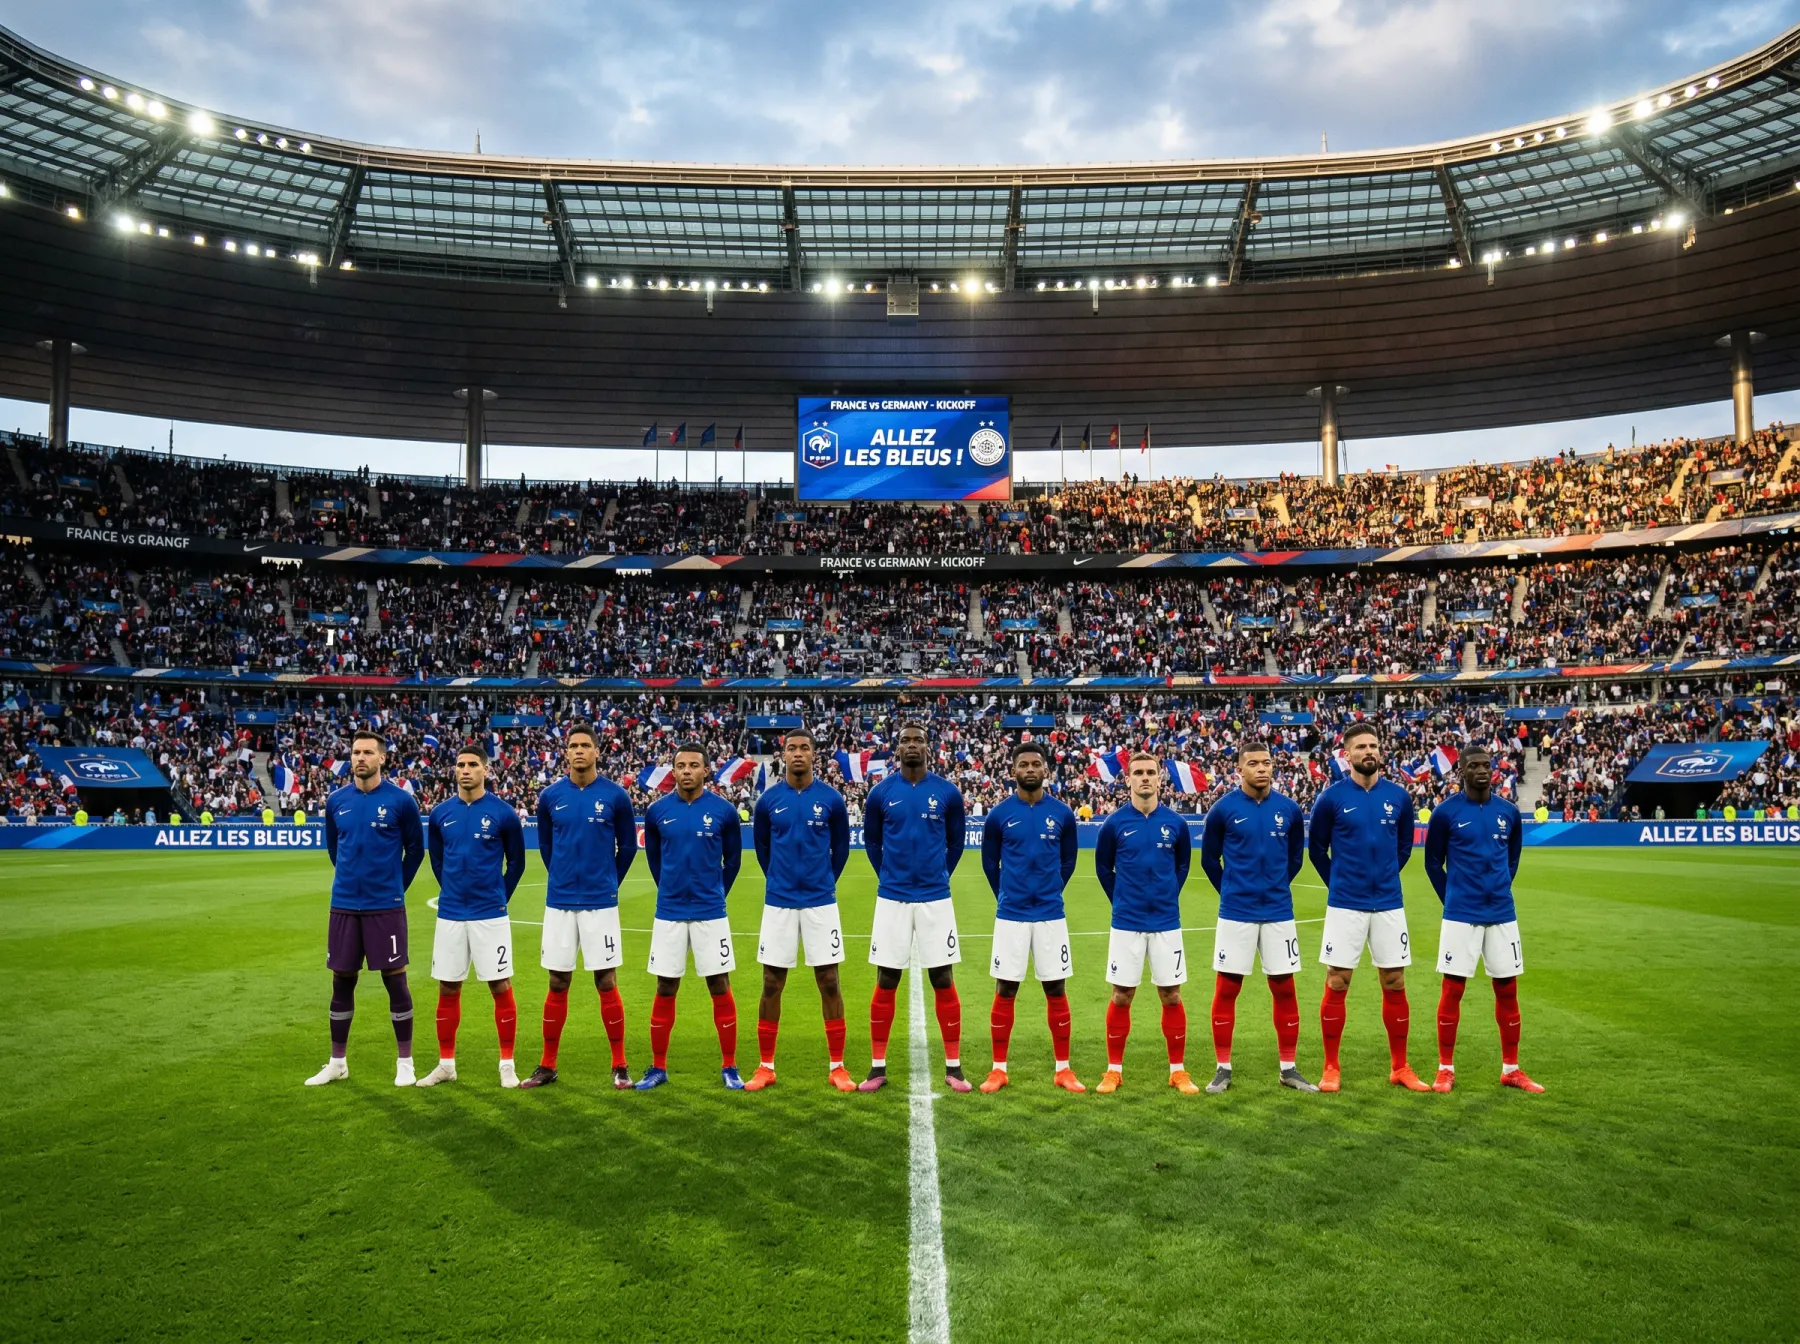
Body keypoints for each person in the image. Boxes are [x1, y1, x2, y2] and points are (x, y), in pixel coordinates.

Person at [1308, 722, 1426, 1093]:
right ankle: (1330, 1067)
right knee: (1338, 980)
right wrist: (1340, 882)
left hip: (1389, 903)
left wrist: (1385, 877)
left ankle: (1400, 1067)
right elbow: (1316, 850)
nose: (1368, 751)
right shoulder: (1331, 798)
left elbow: (1404, 848)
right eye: (1360, 747)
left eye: (1373, 745)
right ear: (1347, 755)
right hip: (1346, 904)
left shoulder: (1399, 797)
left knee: (1394, 981)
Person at [522, 722, 639, 1090]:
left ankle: (619, 1064)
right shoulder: (550, 796)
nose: (578, 751)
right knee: (557, 981)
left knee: (606, 980)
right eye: (573, 745)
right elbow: (545, 847)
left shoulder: (616, 796)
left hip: (599, 904)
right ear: (565, 751)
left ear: (597, 751)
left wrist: (607, 883)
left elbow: (629, 848)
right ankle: (547, 1064)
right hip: (559, 903)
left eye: (585, 745)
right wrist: (563, 877)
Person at [306, 730, 425, 1087]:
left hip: (384, 907)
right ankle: (337, 1062)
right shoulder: (336, 801)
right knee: (342, 980)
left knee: (395, 981)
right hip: (343, 905)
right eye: (356, 752)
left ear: (382, 759)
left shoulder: (402, 801)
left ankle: (405, 1063)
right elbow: (334, 849)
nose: (360, 758)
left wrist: (393, 888)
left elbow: (415, 851)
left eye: (368, 753)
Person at [1198, 742, 1319, 1094]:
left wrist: (1276, 886)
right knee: (1228, 988)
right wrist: (1232, 890)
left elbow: (1296, 857)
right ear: (1240, 769)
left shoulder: (1289, 809)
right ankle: (1223, 1067)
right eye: (1253, 763)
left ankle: (1288, 1068)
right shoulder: (1223, 810)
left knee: (1284, 988)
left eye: (1266, 762)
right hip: (1236, 913)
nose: (1262, 768)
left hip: (1279, 911)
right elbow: (1209, 861)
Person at [1424, 746, 1543, 1093]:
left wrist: (1499, 887)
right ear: (1460, 771)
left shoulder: (1508, 812)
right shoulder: (1446, 813)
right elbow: (1433, 864)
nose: (1480, 770)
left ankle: (1511, 1068)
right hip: (1461, 915)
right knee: (1453, 989)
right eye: (1472, 766)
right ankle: (1445, 1068)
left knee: (1507, 988)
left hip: (1502, 913)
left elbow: (1513, 858)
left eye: (1485, 765)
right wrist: (1453, 899)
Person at [861, 722, 970, 1092]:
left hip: (935, 898)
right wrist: (890, 877)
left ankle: (954, 1067)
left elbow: (955, 845)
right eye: (905, 739)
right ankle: (877, 1068)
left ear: (928, 747)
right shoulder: (880, 793)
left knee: (942, 977)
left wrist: (937, 875)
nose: (911, 745)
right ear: (897, 748)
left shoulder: (947, 793)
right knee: (887, 978)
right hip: (892, 898)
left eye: (918, 740)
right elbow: (873, 844)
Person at [748, 729, 853, 1091]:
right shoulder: (768, 801)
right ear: (783, 754)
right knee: (771, 983)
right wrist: (779, 879)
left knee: (829, 981)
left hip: (820, 902)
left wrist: (822, 880)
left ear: (813, 754)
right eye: (791, 748)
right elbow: (763, 849)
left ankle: (837, 1066)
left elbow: (839, 851)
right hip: (779, 902)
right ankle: (765, 1066)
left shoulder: (831, 799)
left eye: (804, 748)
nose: (797, 754)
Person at [416, 746, 526, 1089]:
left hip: (489, 916)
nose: (465, 770)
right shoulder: (440, 814)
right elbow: (436, 860)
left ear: (486, 770)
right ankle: (446, 1063)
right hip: (450, 914)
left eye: (472, 765)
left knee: (500, 985)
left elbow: (517, 864)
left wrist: (497, 897)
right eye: (460, 764)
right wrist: (451, 890)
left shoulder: (503, 813)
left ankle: (507, 1064)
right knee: (448, 987)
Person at [978, 742, 1083, 1093]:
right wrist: (1007, 895)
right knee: (1006, 987)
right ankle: (998, 1069)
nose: (1030, 769)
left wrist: (1051, 889)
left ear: (1046, 771)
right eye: (1023, 764)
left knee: (1056, 987)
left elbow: (1068, 862)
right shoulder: (998, 815)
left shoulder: (1063, 814)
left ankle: (1064, 1069)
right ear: (1013, 771)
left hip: (1051, 914)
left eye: (1036, 764)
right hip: (1012, 915)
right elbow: (990, 865)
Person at [639, 742, 744, 1090]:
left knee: (719, 984)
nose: (686, 771)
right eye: (680, 765)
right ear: (673, 770)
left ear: (705, 770)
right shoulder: (657, 812)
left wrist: (714, 893)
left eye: (693, 765)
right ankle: (657, 1067)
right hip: (669, 912)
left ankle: (729, 1066)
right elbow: (655, 861)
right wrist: (670, 889)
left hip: (710, 912)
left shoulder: (724, 811)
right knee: (665, 985)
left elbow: (733, 861)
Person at [1093, 753, 1199, 1095]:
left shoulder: (1176, 823)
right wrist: (1123, 900)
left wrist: (1166, 895)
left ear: (1159, 779)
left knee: (1171, 995)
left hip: (1167, 922)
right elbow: (1103, 870)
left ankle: (1178, 1071)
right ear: (1128, 780)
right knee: (1122, 995)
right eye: (1137, 772)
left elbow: (1182, 868)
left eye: (1150, 772)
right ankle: (1113, 1071)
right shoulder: (1114, 824)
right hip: (1126, 922)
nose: (1144, 778)